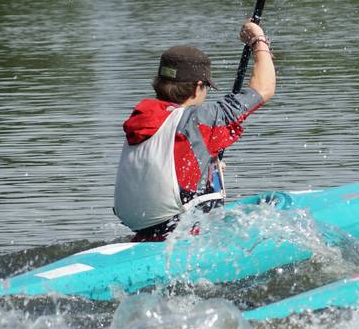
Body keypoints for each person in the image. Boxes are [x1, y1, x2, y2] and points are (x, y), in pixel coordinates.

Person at [113, 20, 275, 241]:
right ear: (199, 86)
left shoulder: (141, 118)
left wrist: (204, 166)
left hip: (143, 232)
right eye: (206, 87)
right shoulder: (197, 120)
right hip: (187, 239)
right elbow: (263, 89)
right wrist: (258, 39)